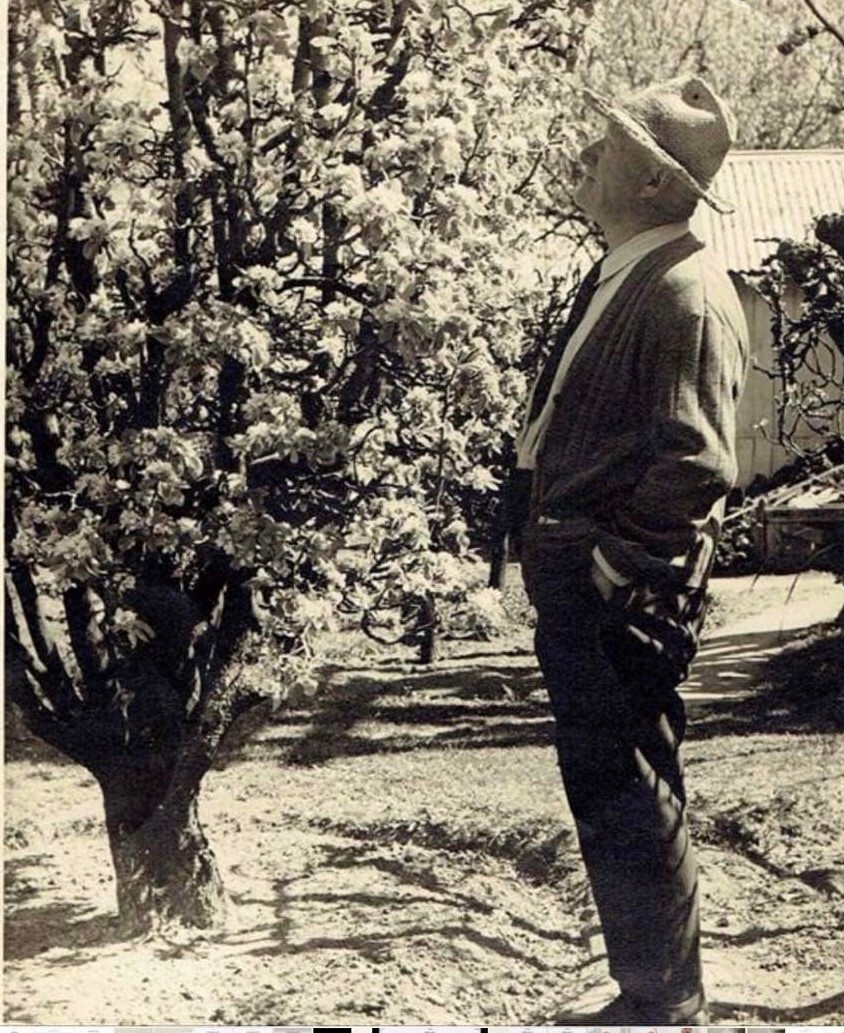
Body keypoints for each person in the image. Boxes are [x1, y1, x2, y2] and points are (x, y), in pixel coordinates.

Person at [514, 76, 749, 1023]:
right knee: (607, 787)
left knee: (634, 788)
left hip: (619, 590)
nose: (587, 156)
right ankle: (644, 990)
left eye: (609, 146)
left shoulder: (684, 289)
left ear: (654, 182)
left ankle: (666, 1003)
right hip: (582, 577)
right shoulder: (626, 270)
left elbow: (693, 463)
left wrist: (616, 570)